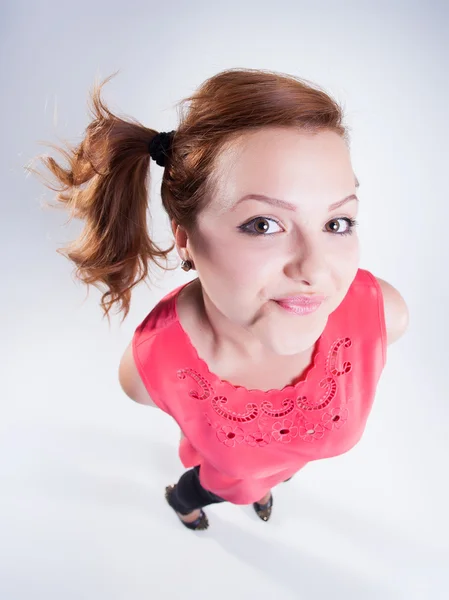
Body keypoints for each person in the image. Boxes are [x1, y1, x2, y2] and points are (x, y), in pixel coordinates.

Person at [33, 68, 409, 531]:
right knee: (213, 487)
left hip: (281, 469)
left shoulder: (382, 315)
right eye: (264, 225)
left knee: (268, 478)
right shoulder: (149, 367)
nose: (315, 271)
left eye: (337, 223)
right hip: (222, 479)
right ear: (186, 239)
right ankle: (183, 502)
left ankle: (265, 486)